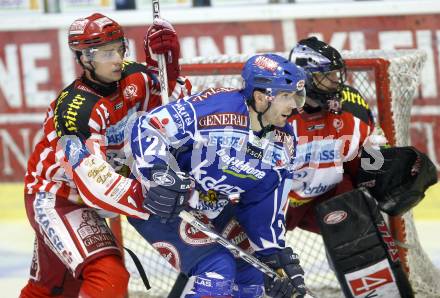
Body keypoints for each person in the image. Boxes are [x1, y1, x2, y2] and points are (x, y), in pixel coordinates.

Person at [58, 53, 309, 297]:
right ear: (261, 97)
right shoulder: (214, 109)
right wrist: (159, 173)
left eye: (296, 96)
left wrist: (273, 254)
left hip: (209, 204)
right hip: (161, 201)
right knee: (217, 268)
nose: (294, 105)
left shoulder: (283, 143)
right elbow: (149, 126)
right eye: (286, 96)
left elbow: (263, 203)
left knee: (254, 270)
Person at [20, 13, 189, 298]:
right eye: (105, 53)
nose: (116, 59)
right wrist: (148, 196)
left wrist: (168, 68)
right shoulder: (76, 110)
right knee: (108, 276)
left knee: (52, 288)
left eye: (120, 48)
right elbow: (94, 184)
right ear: (84, 58)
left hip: (90, 199)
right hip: (58, 197)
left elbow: (176, 110)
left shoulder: (135, 77)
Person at [284, 36, 376, 232]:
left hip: (329, 195)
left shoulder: (349, 103)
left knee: (357, 227)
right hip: (280, 202)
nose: (336, 81)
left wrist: (384, 173)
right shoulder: (279, 112)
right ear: (305, 77)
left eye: (336, 74)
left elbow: (372, 152)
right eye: (327, 76)